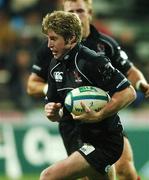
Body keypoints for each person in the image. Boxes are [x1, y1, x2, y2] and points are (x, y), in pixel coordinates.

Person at [27, 0, 149, 179]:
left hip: (104, 131)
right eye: (71, 11)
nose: (49, 44)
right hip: (74, 127)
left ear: (89, 13)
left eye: (80, 10)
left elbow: (128, 84)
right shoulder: (52, 58)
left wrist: (140, 84)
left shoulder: (98, 53)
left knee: (123, 167)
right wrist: (54, 108)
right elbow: (41, 94)